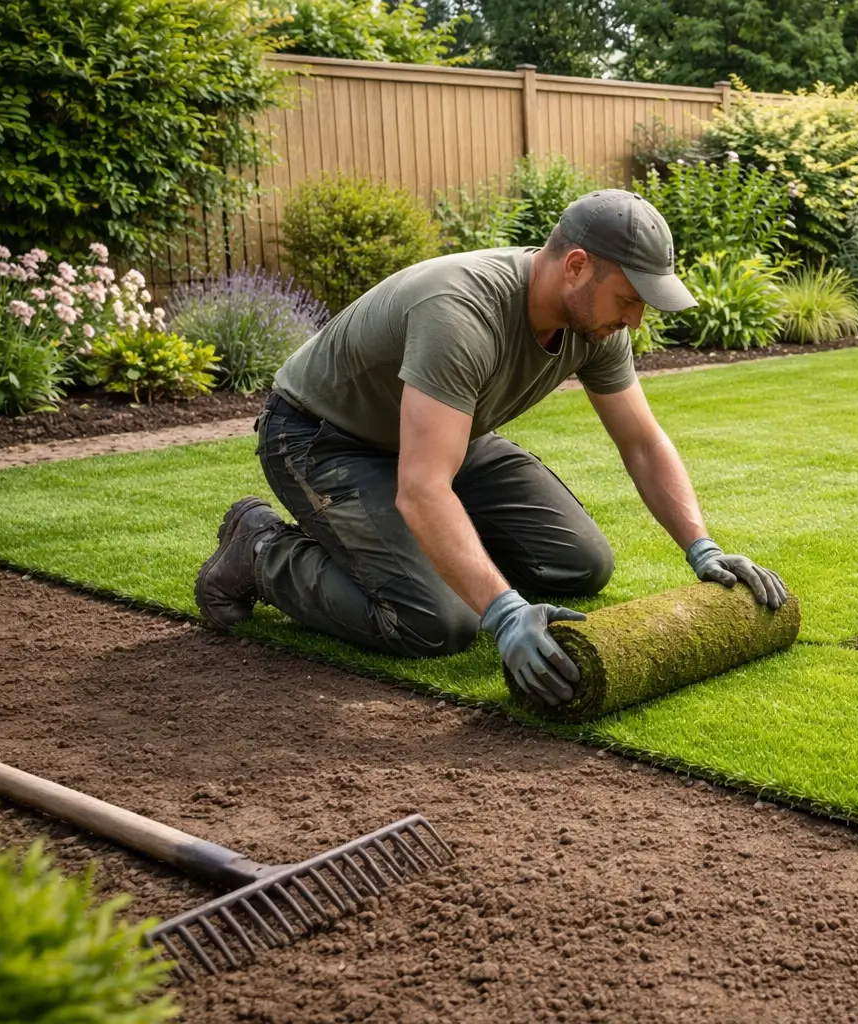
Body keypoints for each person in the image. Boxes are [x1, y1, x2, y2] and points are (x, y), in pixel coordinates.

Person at [194, 189, 787, 708]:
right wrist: (502, 612)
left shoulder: (595, 326)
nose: (635, 319)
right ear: (576, 266)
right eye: (630, 299)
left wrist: (702, 547)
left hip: (447, 435)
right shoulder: (460, 312)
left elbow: (642, 442)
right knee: (437, 622)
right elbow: (423, 488)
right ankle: (260, 551)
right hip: (322, 439)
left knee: (580, 564)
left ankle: (437, 553)